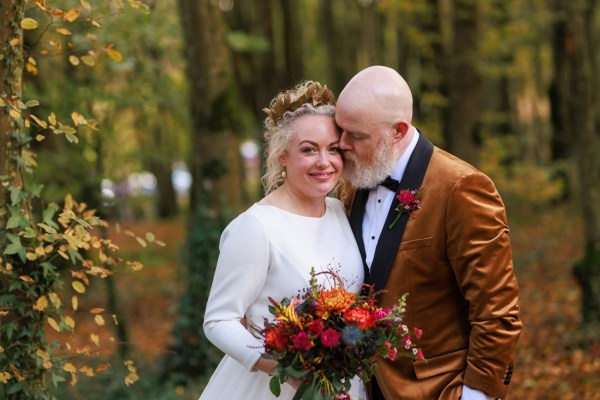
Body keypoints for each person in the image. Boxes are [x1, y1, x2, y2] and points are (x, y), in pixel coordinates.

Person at [336, 65, 523, 400]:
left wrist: (476, 394)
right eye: (341, 130)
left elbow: (497, 312)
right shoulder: (351, 186)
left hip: (437, 389)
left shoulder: (462, 188)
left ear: (398, 131)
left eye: (356, 136)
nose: (341, 144)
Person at [199, 81, 366, 400]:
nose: (324, 162)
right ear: (282, 156)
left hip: (344, 385)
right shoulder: (255, 227)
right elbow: (219, 319)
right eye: (308, 149)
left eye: (333, 148)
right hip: (275, 388)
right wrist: (286, 370)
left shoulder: (339, 212)